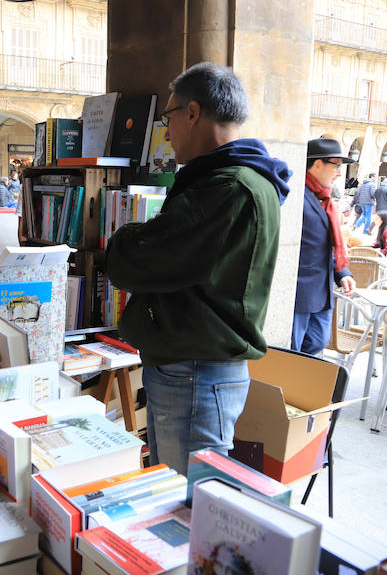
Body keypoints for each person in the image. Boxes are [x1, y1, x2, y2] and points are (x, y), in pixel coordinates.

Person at [102, 62, 291, 475]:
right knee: (181, 490)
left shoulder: (226, 186)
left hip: (195, 369)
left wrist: (124, 237)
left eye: (168, 118)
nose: (166, 132)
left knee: (191, 500)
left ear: (192, 112)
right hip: (193, 363)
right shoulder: (228, 180)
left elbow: (146, 259)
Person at [292, 138, 356, 356]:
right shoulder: (296, 196)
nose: (339, 172)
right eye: (336, 165)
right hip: (298, 293)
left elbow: (326, 244)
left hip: (322, 292)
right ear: (317, 164)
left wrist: (342, 272)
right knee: (292, 352)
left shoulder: (324, 198)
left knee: (317, 343)